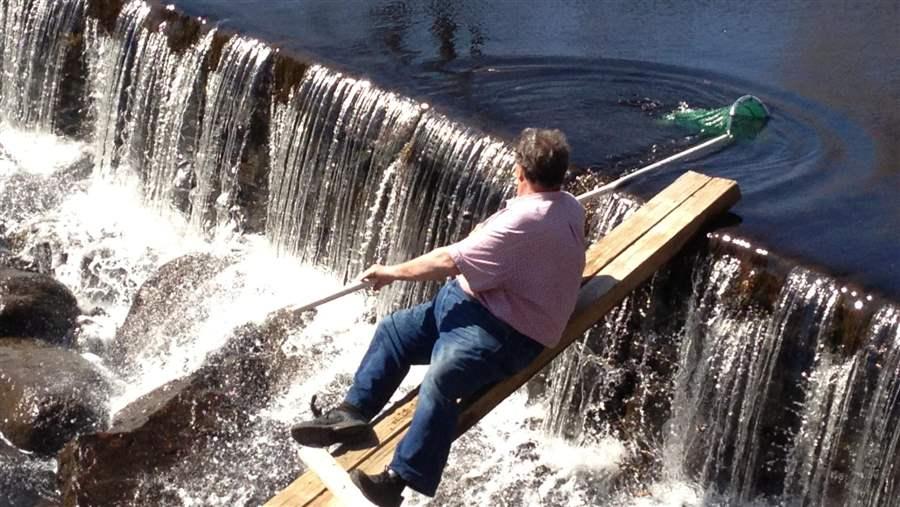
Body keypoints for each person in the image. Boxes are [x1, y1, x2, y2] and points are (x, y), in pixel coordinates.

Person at [291, 128, 586, 506]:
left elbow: (448, 261)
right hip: (465, 306)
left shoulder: (524, 223)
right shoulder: (569, 206)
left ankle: (398, 480)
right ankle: (352, 413)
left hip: (503, 331)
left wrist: (389, 272)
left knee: (443, 379)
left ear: (520, 172)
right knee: (393, 332)